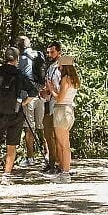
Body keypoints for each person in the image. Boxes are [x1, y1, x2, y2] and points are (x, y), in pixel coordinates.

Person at [0, 47, 37, 183]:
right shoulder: (19, 75)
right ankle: (6, 176)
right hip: (16, 114)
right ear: (17, 59)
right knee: (12, 145)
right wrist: (23, 103)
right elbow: (33, 92)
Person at [16, 35, 47, 168]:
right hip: (41, 93)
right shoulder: (39, 54)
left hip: (28, 95)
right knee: (42, 126)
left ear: (19, 46)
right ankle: (48, 153)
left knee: (29, 127)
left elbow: (19, 77)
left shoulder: (21, 59)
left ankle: (30, 157)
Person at [51, 55, 79, 183]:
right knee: (64, 143)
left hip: (61, 111)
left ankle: (65, 173)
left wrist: (51, 90)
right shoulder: (74, 79)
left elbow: (59, 98)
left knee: (63, 145)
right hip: (69, 110)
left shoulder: (65, 79)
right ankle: (64, 172)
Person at [40, 41, 63, 173]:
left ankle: (61, 164)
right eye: (48, 52)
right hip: (48, 104)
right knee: (48, 134)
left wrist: (51, 90)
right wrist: (45, 91)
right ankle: (52, 162)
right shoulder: (50, 67)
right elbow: (49, 86)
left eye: (52, 52)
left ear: (59, 51)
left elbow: (60, 87)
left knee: (58, 135)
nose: (49, 54)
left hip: (58, 105)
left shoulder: (62, 67)